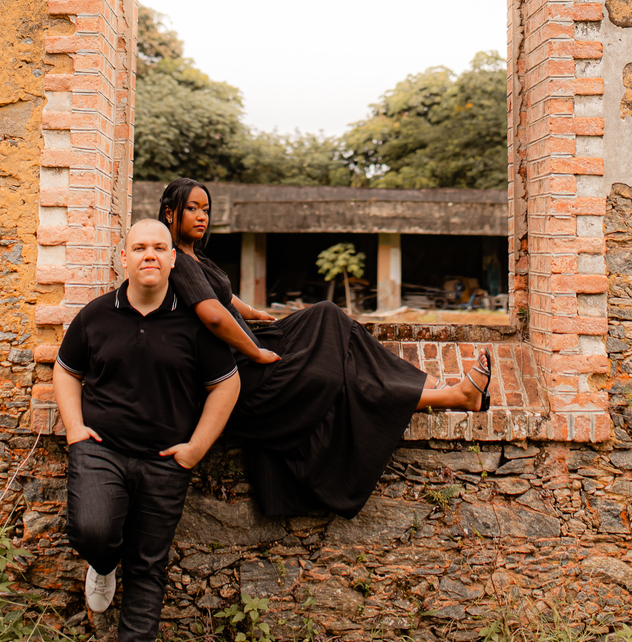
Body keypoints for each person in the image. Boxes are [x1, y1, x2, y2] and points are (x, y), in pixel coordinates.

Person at [158, 177, 492, 522]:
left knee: (327, 315)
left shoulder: (193, 256)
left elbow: (223, 297)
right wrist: (256, 353)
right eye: (193, 209)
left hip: (251, 349)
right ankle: (450, 396)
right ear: (170, 213)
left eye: (206, 210)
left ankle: (429, 384)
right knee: (337, 370)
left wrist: (253, 312)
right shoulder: (175, 260)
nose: (202, 217)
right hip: (241, 372)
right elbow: (212, 316)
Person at [53, 217, 239, 642]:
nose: (150, 255)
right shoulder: (95, 316)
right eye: (140, 247)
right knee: (92, 530)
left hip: (165, 461)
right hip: (101, 450)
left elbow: (227, 384)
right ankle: (102, 563)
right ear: (125, 258)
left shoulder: (194, 326)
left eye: (160, 246)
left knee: (149, 566)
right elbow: (66, 371)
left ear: (173, 259)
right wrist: (73, 429)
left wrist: (196, 448)